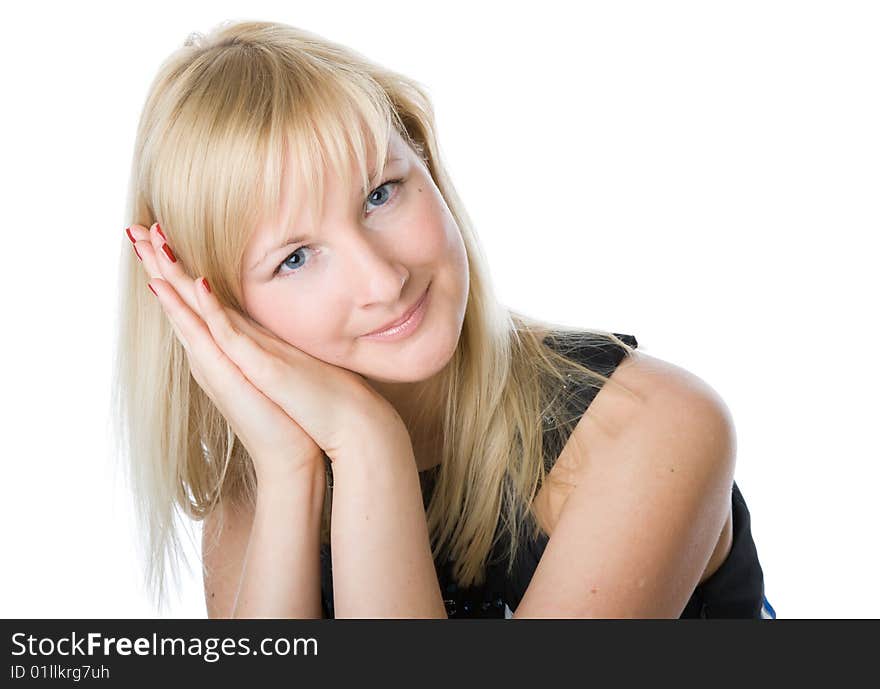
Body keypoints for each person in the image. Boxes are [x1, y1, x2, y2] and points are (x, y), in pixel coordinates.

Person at [111, 19, 775, 619]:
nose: (383, 279)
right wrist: (296, 472)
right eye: (296, 257)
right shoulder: (259, 494)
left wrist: (367, 443)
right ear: (215, 308)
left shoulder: (655, 427)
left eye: (380, 193)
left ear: (424, 160)